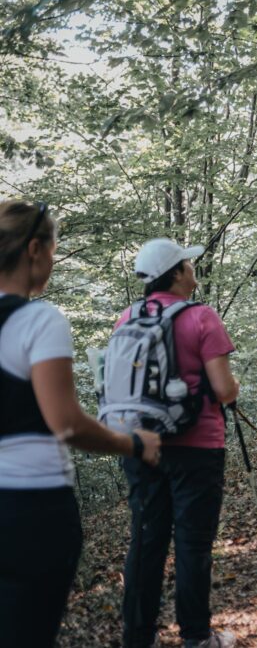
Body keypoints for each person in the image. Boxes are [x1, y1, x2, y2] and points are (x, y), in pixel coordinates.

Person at [0, 201, 160, 648]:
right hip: (31, 509)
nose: (52, 258)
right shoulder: (37, 319)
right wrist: (132, 444)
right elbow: (66, 424)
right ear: (34, 249)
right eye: (53, 247)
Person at [118, 238, 240, 648]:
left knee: (146, 539)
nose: (193, 270)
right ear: (175, 274)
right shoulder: (202, 317)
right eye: (187, 265)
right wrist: (232, 386)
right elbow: (224, 390)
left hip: (140, 443)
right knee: (192, 542)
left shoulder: (126, 318)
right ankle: (196, 637)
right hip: (197, 446)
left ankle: (137, 637)